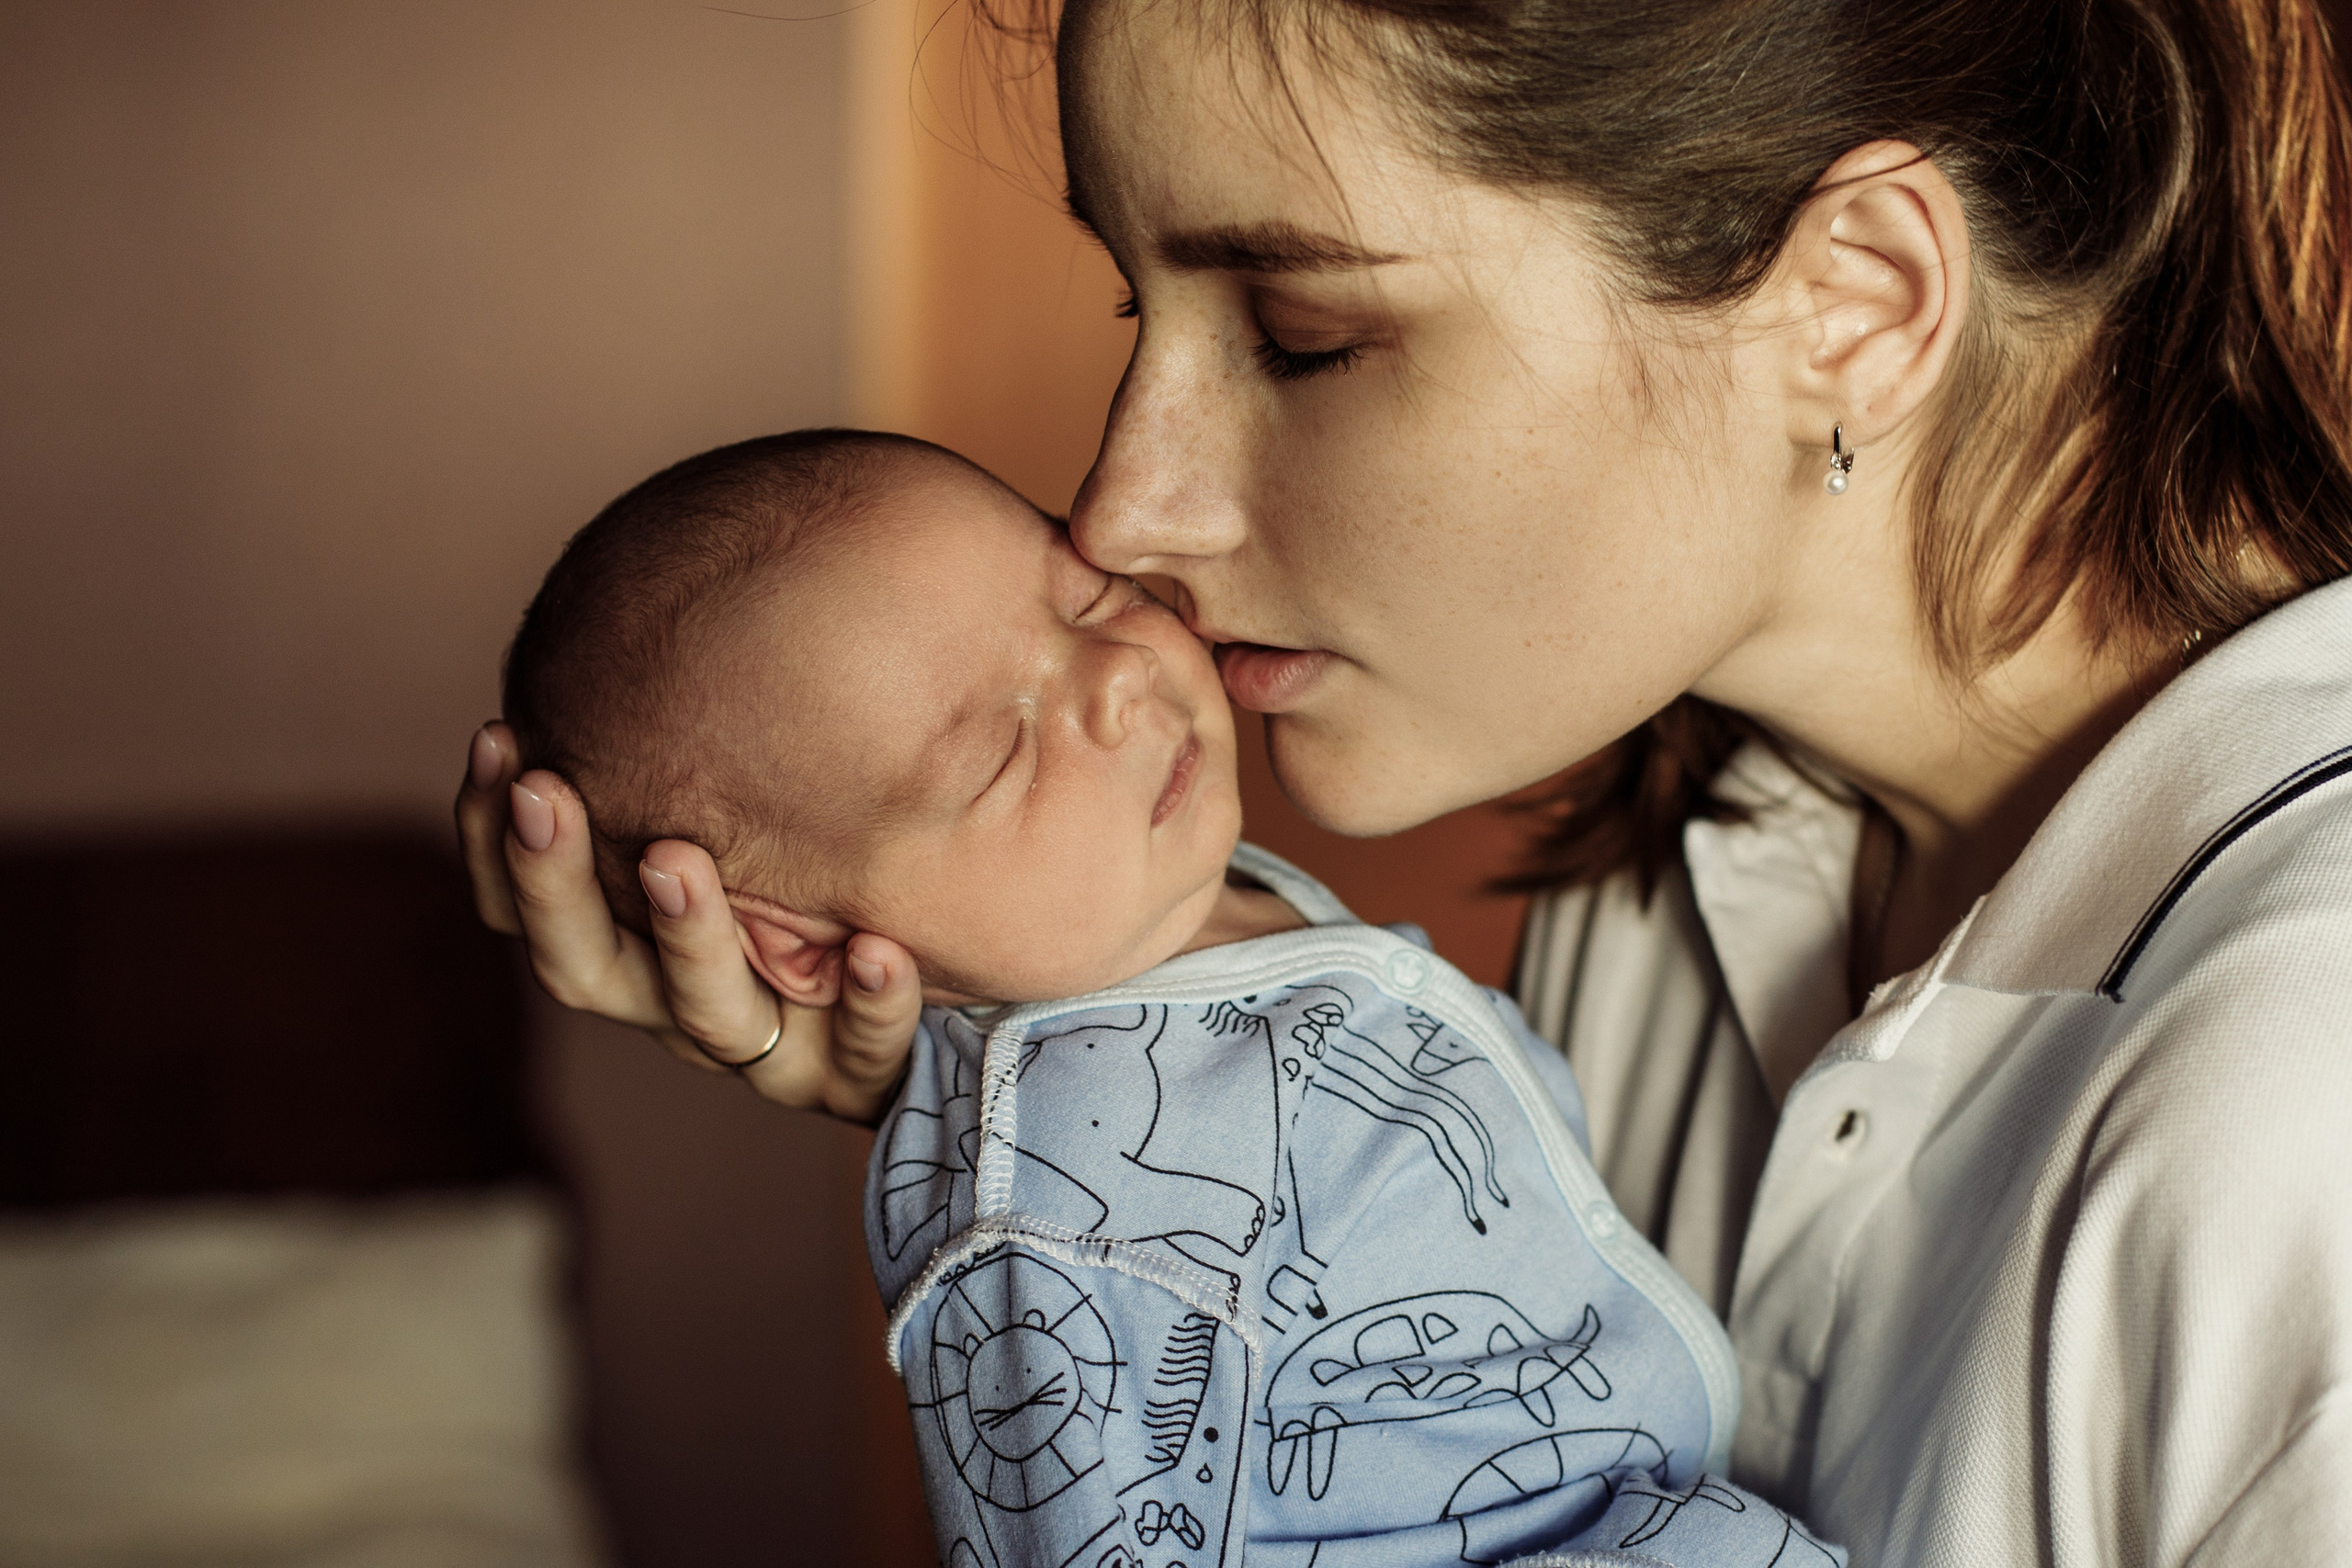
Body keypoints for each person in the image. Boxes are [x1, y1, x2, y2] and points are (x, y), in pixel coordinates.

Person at [456, 0, 2352, 1560]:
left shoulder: (2297, 1111)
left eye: (1300, 336)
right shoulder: (1663, 882)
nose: (1123, 509)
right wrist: (1064, 1115)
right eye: (1142, 312)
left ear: (1851, 300)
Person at [497, 427, 1844, 1567]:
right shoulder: (1048, 1247)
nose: (1120, 679)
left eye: (1081, 599)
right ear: (801, 951)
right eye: (1000, 755)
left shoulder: (1163, 917)